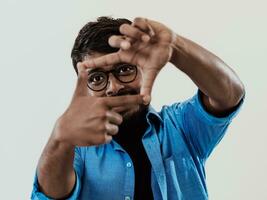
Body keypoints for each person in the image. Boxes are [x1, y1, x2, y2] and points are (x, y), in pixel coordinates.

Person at [31, 16, 245, 200]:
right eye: (96, 78)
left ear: (144, 69)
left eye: (124, 70)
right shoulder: (75, 149)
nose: (113, 88)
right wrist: (60, 139)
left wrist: (176, 47)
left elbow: (230, 94)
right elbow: (51, 195)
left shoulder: (179, 127)